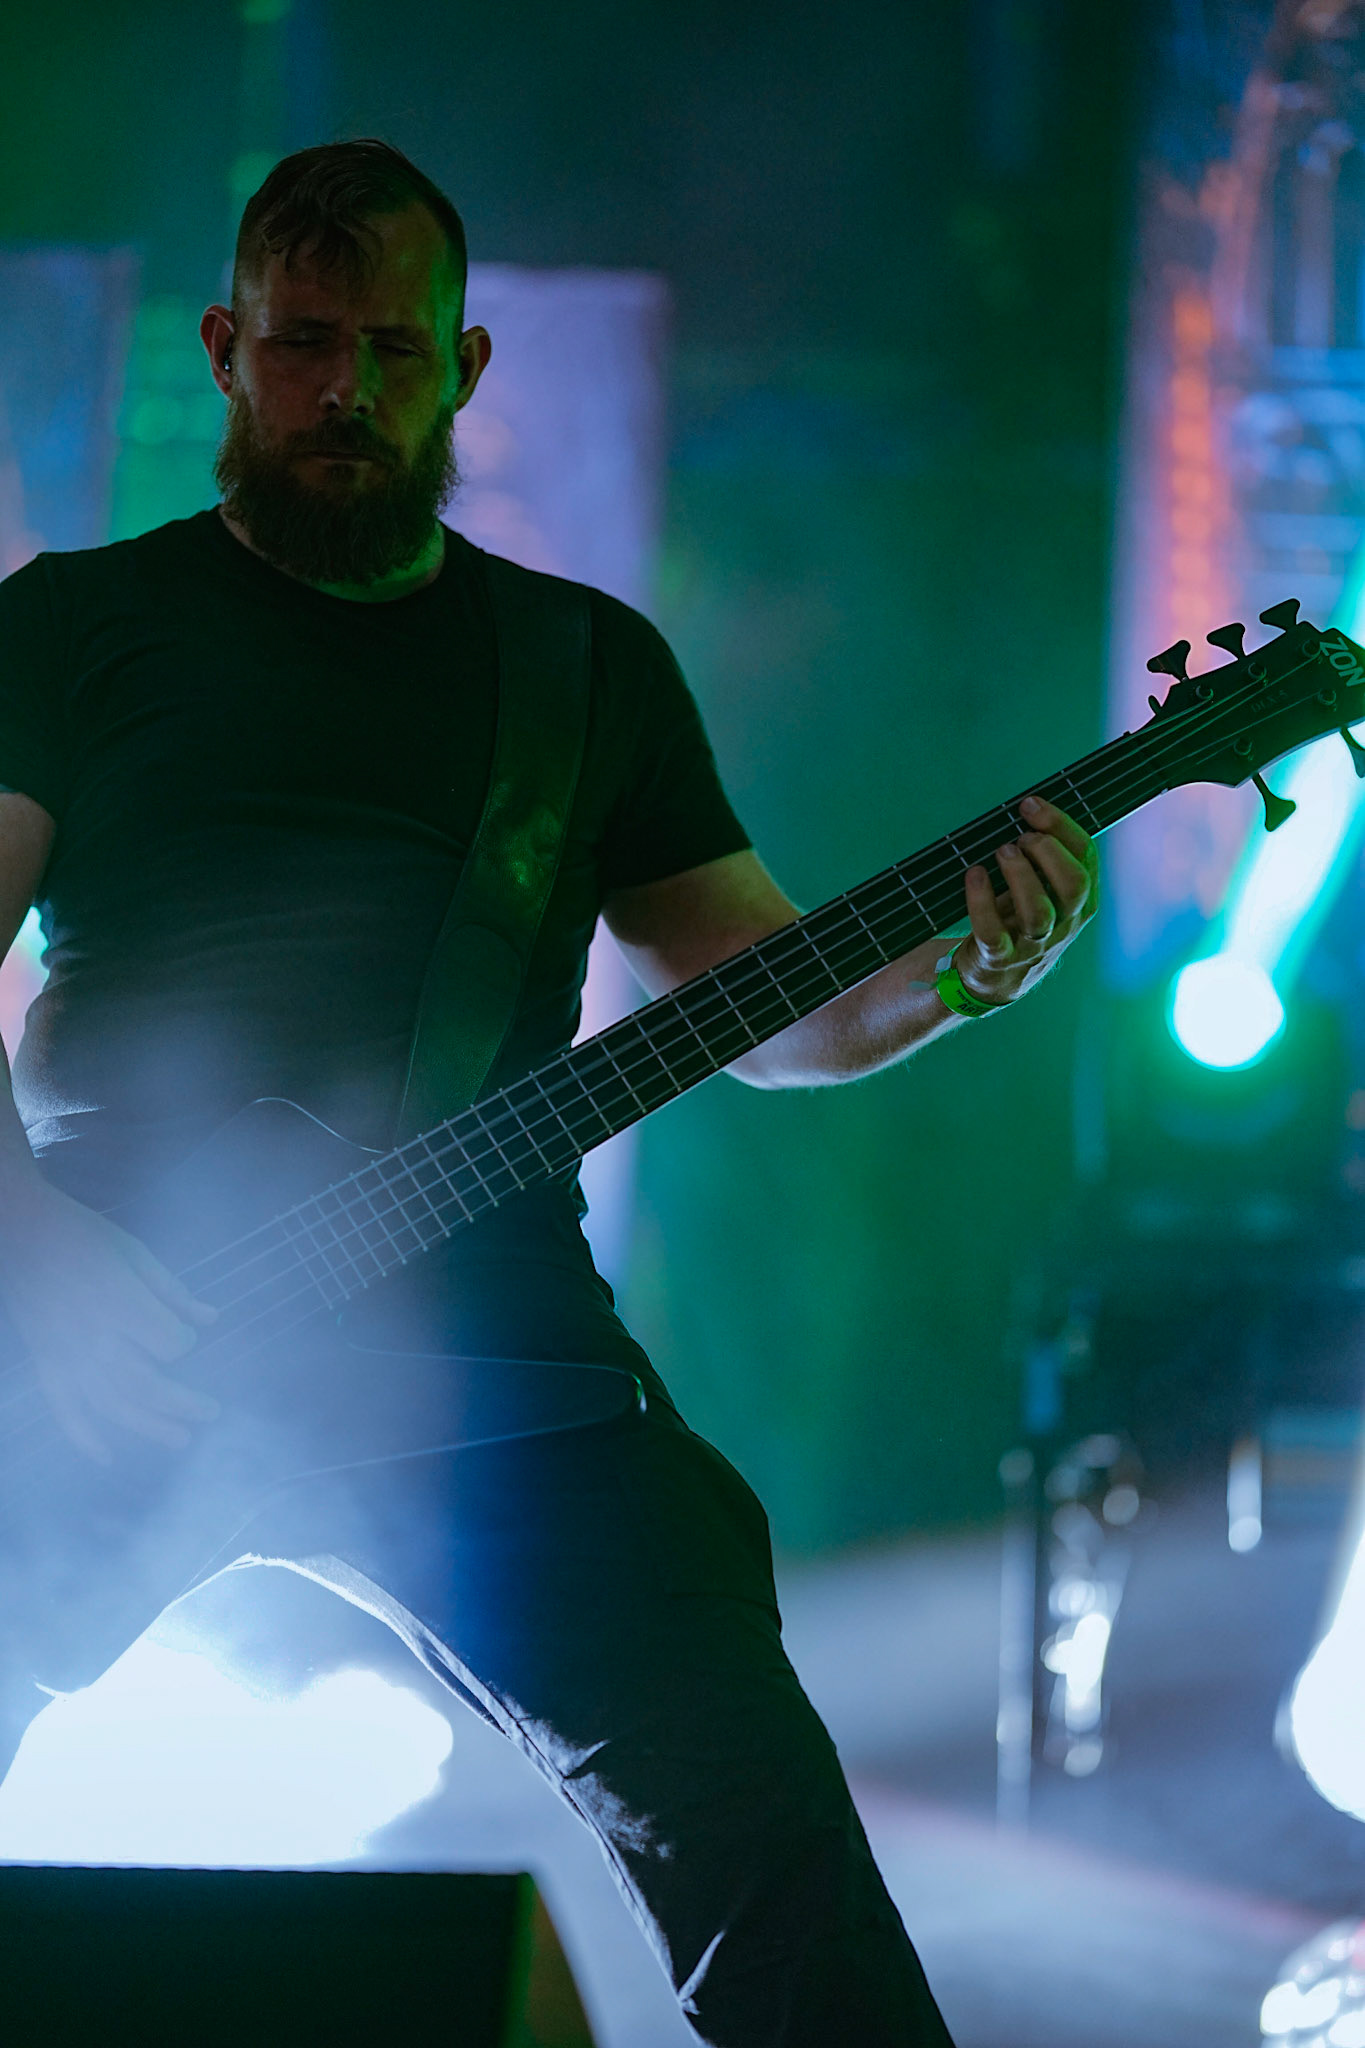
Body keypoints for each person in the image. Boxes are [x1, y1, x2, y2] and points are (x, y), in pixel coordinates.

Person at [0, 141, 1096, 2045]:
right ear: (224, 349)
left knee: (760, 1843)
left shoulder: (581, 667)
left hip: (479, 1338)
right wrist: (47, 1263)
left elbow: (764, 1011)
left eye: (395, 351)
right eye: (305, 344)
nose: (348, 392)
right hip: (103, 1325)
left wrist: (967, 974)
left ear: (468, 366)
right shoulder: (70, 627)